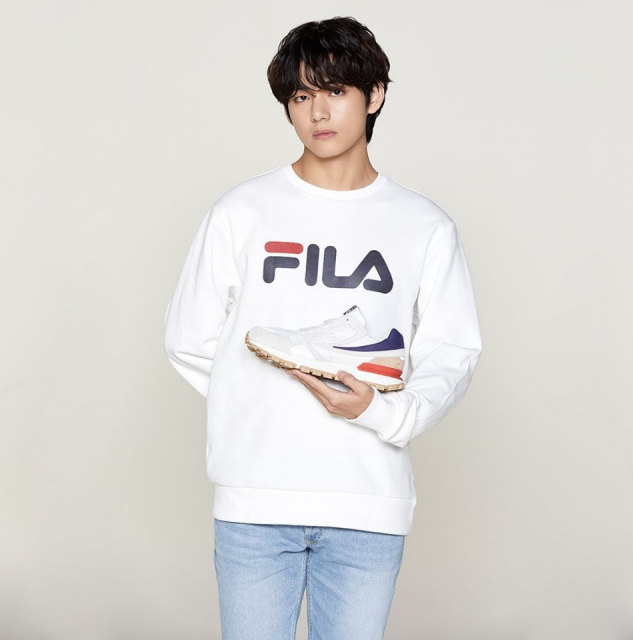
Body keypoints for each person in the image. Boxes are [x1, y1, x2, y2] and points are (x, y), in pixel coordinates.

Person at [163, 15, 483, 640]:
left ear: (375, 95)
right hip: (255, 502)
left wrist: (384, 414)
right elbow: (189, 338)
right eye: (301, 95)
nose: (318, 111)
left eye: (336, 90)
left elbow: (452, 351)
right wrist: (262, 399)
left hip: (367, 501)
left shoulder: (423, 226)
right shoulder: (242, 211)